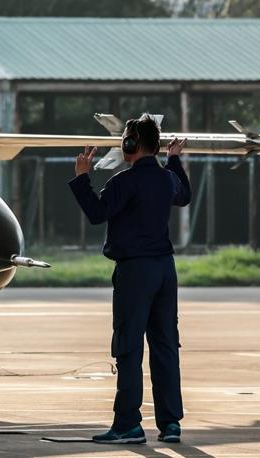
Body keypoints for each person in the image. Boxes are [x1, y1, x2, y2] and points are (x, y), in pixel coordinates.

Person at [67, 114, 190, 445]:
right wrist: (174, 159)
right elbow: (184, 195)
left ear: (131, 144)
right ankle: (170, 424)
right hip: (165, 269)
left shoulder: (124, 182)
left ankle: (128, 424)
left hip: (136, 272)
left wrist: (81, 177)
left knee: (129, 347)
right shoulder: (166, 179)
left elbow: (96, 213)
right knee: (165, 345)